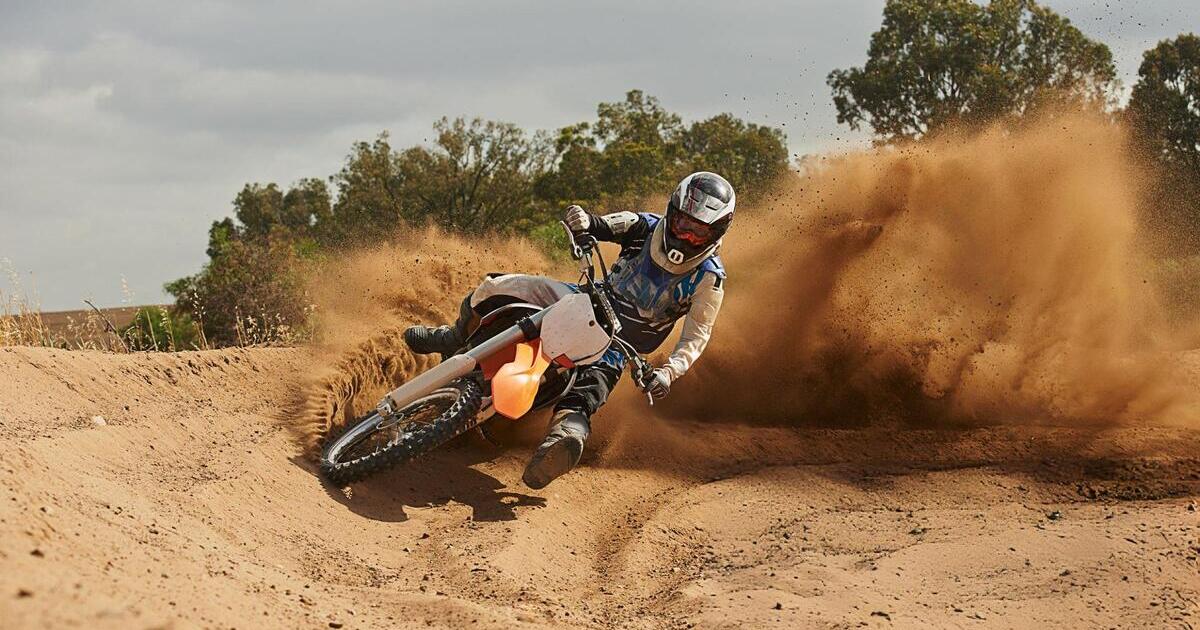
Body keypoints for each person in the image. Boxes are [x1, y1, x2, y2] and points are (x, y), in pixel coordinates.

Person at [404, 171, 734, 489]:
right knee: (499, 286)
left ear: (716, 233)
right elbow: (603, 224)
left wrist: (668, 373)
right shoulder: (644, 225)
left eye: (698, 232)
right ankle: (455, 336)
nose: (685, 236)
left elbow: (697, 335)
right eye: (682, 223)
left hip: (620, 345)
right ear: (672, 211)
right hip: (586, 298)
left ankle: (563, 441)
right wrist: (583, 222)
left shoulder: (709, 278)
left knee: (589, 391)